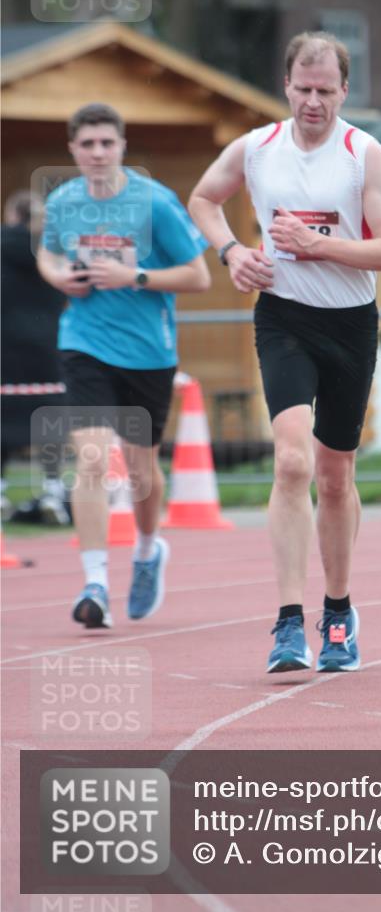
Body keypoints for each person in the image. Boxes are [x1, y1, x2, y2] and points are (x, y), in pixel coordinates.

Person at [189, 31, 381, 673]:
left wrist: (321, 246)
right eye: (303, 89)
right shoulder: (256, 149)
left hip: (349, 325)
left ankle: (337, 612)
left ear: (345, 90)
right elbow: (203, 199)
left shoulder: (362, 154)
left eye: (326, 90)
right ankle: (288, 625)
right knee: (291, 463)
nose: (314, 102)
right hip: (282, 319)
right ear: (287, 85)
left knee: (335, 475)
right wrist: (232, 252)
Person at [37, 103, 210, 629]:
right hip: (83, 341)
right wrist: (60, 276)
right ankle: (94, 583)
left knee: (140, 472)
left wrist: (133, 277)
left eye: (106, 144)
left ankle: (147, 550)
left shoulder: (154, 203)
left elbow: (198, 276)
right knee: (91, 458)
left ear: (121, 147)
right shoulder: (64, 201)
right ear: (72, 149)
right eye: (86, 144)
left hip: (148, 352)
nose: (96, 153)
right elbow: (47, 253)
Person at [1, 189, 70, 525]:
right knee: (51, 422)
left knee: (3, 421)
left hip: (5, 348)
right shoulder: (54, 251)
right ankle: (53, 489)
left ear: (12, 216)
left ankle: (0, 490)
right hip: (49, 345)